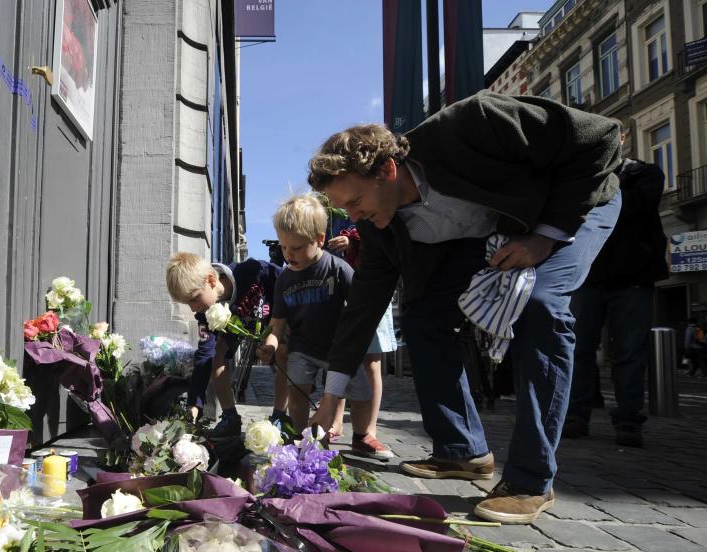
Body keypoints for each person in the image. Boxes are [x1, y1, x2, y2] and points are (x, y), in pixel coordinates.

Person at [306, 91, 622, 524]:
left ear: (387, 170)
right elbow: (362, 308)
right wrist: (331, 395)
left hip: (579, 203)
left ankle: (531, 481)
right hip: (498, 232)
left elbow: (602, 136)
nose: (353, 217)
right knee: (422, 317)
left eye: (355, 202)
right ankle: (462, 450)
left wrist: (545, 236)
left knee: (541, 305)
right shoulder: (380, 227)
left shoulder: (474, 121)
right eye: (344, 209)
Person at [257, 194, 392, 459]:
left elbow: (359, 309)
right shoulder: (285, 279)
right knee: (297, 392)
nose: (288, 255)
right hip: (302, 347)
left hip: (338, 350)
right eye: (284, 247)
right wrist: (270, 344)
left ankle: (362, 436)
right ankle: (302, 438)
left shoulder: (337, 268)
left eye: (296, 248)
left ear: (319, 239)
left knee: (362, 395)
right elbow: (278, 323)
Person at [564, 119, 667, 448]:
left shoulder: (645, 174)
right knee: (579, 350)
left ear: (623, 138)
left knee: (630, 352)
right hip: (589, 276)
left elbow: (633, 208)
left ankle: (628, 420)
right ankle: (576, 416)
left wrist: (605, 182)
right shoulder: (582, 178)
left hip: (633, 278)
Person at [166, 253, 288, 436]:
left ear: (211, 280)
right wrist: (193, 404)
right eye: (187, 303)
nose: (193, 308)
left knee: (283, 352)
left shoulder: (251, 271)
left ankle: (279, 417)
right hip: (236, 324)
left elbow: (285, 280)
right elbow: (203, 356)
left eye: (194, 298)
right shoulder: (205, 314)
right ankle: (230, 417)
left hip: (272, 318)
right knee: (216, 357)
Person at [325, 209, 397, 453]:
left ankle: (369, 429)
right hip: (339, 292)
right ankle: (336, 421)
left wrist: (353, 240)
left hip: (372, 288)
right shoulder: (326, 210)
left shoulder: (365, 200)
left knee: (371, 363)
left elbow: (386, 231)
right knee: (341, 359)